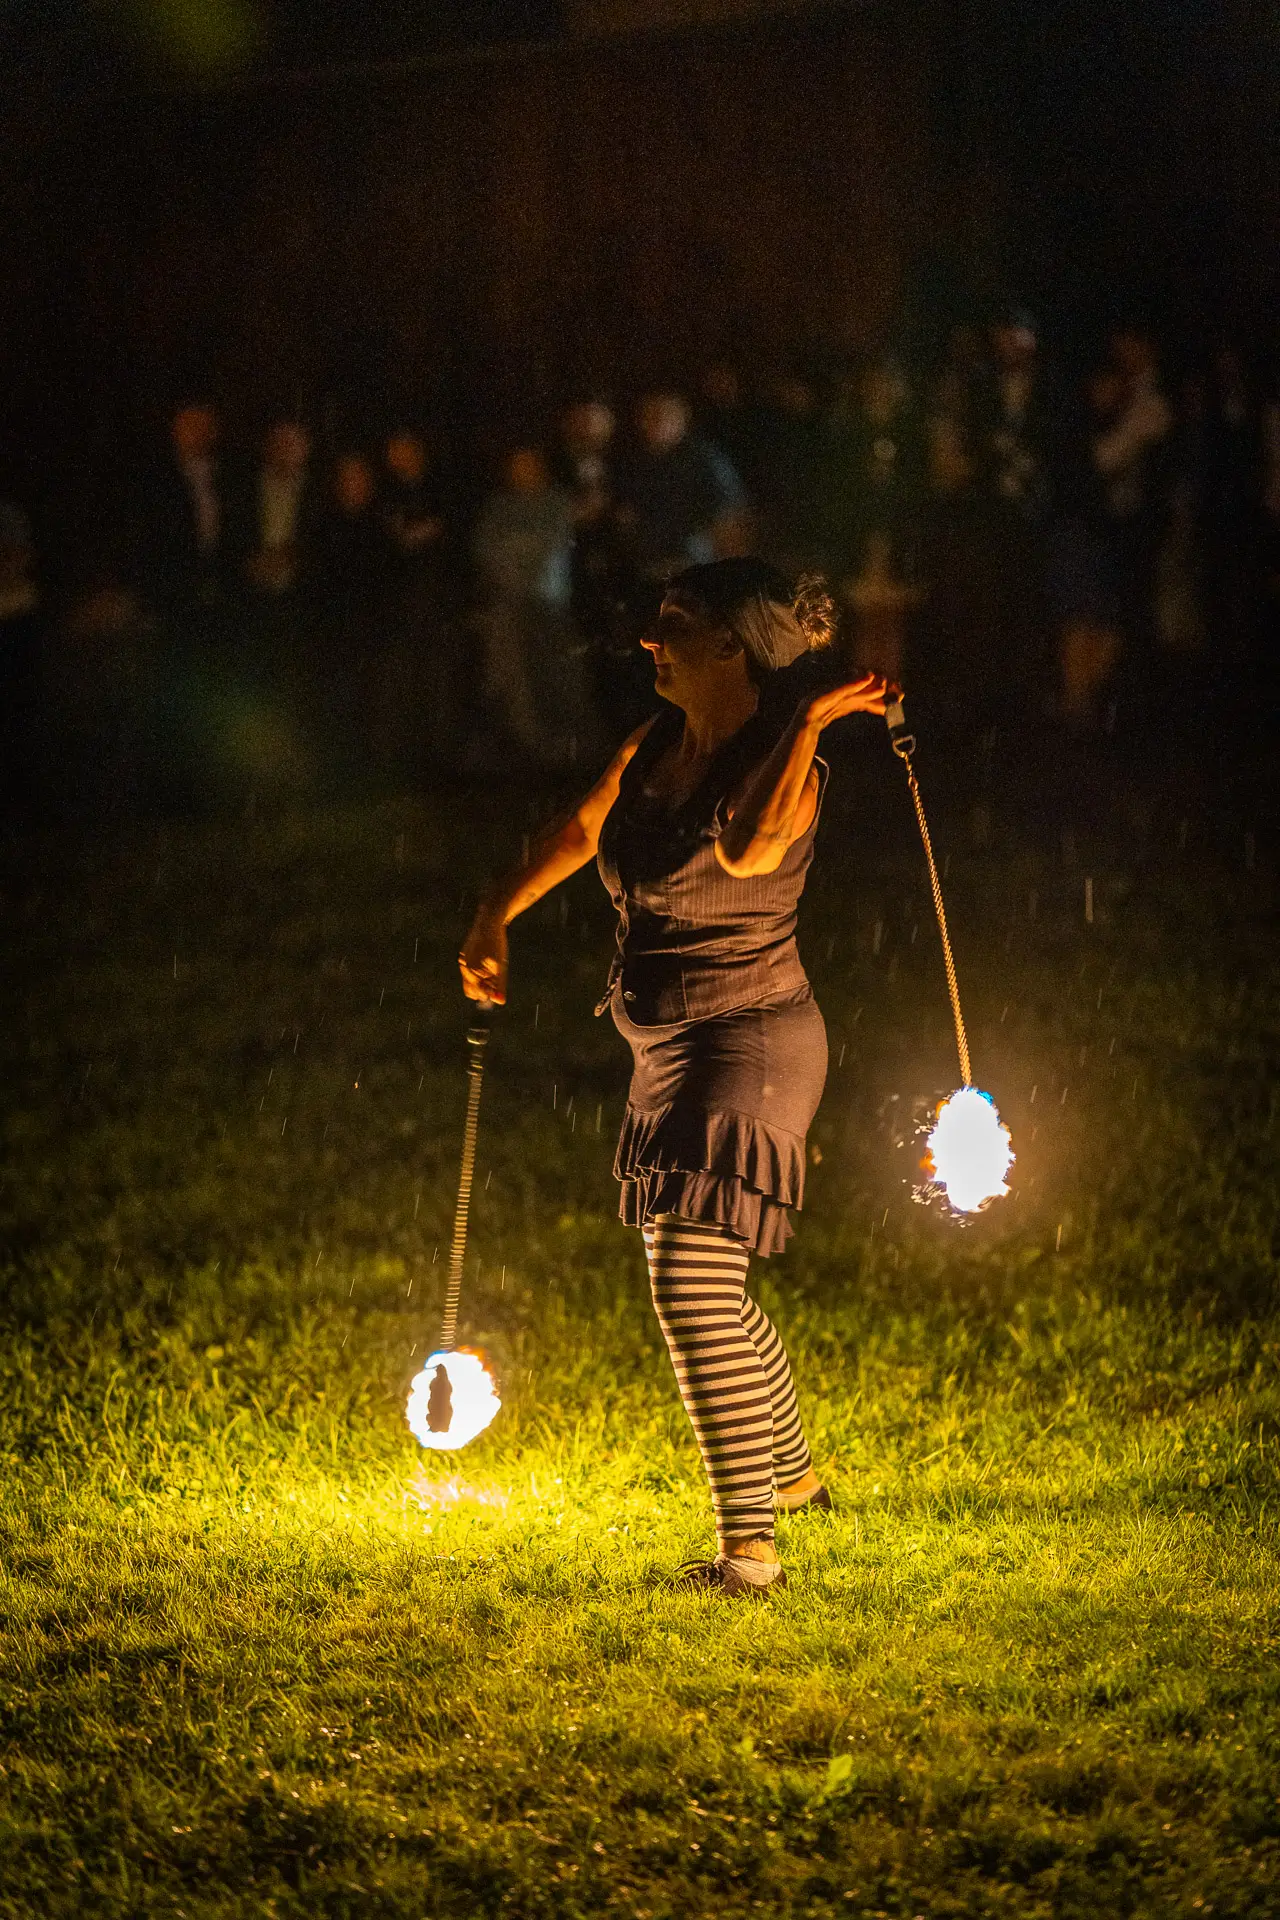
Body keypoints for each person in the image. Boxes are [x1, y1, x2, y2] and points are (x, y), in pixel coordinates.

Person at [459, 558, 894, 1597]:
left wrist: (809, 718)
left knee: (689, 1282)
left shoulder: (783, 762)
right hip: (663, 1048)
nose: (650, 640)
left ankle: (750, 1558)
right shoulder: (655, 742)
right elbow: (581, 829)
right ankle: (794, 1480)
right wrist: (494, 912)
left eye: (675, 625)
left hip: (750, 1040)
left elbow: (744, 851)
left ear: (731, 649)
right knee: (710, 1284)